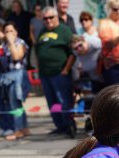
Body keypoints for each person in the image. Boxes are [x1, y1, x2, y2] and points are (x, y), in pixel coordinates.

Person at [36, 6, 75, 137]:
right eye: (45, 18)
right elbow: (37, 52)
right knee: (53, 102)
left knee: (63, 101)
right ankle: (60, 126)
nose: (48, 20)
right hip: (45, 74)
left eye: (51, 17)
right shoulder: (42, 32)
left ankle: (69, 125)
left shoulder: (64, 30)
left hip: (60, 73)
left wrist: (66, 69)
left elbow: (72, 52)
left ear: (56, 17)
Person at [0, 22, 30, 141]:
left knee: (15, 104)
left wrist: (10, 42)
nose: (9, 34)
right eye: (6, 31)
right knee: (13, 104)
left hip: (18, 75)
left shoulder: (20, 42)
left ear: (16, 32)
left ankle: (18, 130)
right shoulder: (2, 45)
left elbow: (17, 57)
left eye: (11, 31)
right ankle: (24, 128)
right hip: (6, 76)